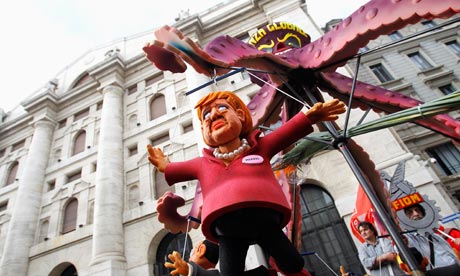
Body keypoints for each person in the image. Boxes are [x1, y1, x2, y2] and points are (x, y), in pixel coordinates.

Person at [147, 91, 346, 276]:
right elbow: (173, 169)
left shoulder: (258, 147)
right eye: (206, 115)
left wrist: (310, 117)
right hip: (226, 226)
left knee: (292, 263)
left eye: (222, 108)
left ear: (241, 115)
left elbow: (285, 133)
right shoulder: (202, 163)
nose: (214, 116)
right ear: (203, 130)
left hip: (264, 217)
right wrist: (164, 164)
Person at [403, 204, 460, 274]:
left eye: (417, 210)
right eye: (410, 212)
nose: (416, 214)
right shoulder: (408, 238)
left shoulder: (437, 235)